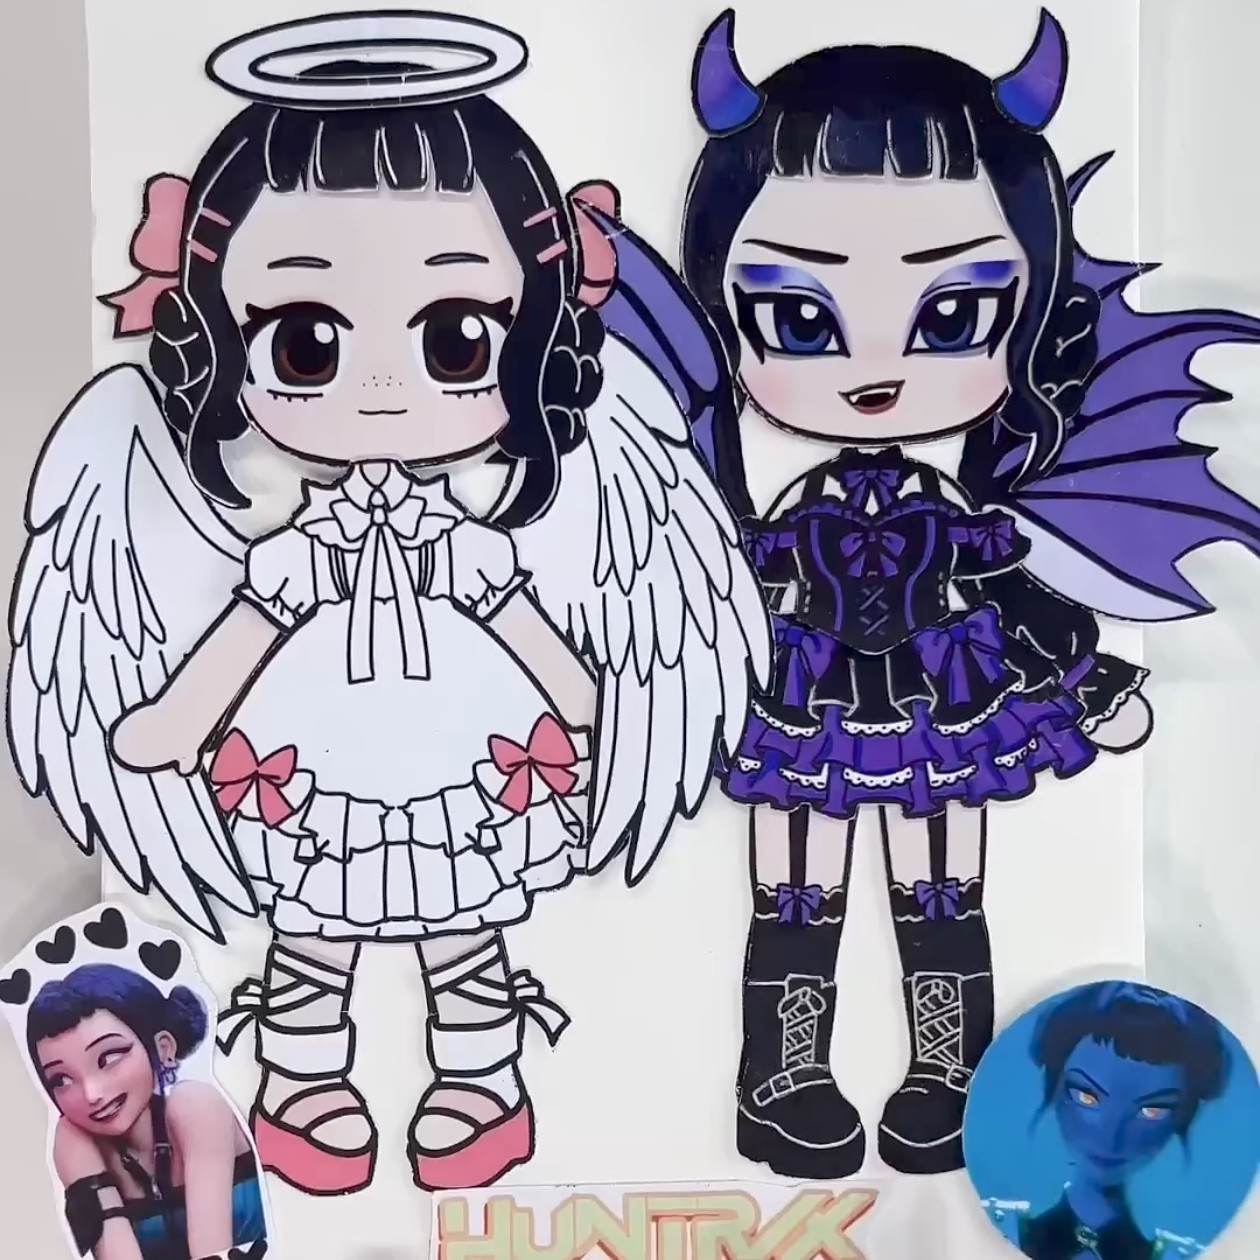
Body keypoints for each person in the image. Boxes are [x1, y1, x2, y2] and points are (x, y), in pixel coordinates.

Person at [9, 12, 766, 1195]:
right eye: (305, 341)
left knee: (463, 926)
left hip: (466, 754)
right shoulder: (285, 541)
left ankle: (481, 1080)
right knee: (314, 928)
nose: (374, 387)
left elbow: (565, 668)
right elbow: (241, 639)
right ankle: (305, 1083)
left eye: (457, 338)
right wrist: (167, 723)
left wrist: (594, 697)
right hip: (315, 758)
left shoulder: (486, 531)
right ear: (219, 334)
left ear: (533, 327)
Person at [680, 7, 1260, 1178]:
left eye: (952, 315)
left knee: (939, 885)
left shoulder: (960, 512)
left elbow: (1017, 600)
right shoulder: (775, 510)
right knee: (796, 889)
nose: (877, 367)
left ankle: (949, 1074)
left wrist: (1087, 678)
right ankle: (782, 1076)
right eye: (798, 315)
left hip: (943, 702)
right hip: (797, 697)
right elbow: (719, 596)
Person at [28, 965, 265, 1260]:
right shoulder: (75, 1143)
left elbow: (212, 1253)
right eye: (61, 1080)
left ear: (163, 1047)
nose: (91, 1093)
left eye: (109, 1058)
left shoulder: (196, 1106)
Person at [998, 982, 1228, 1260]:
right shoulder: (1003, 1227)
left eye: (1151, 1111)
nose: (1111, 1134)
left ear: (1182, 1116)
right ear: (1054, 1086)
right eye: (1087, 1097)